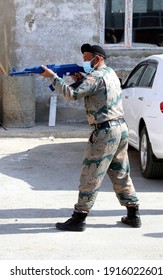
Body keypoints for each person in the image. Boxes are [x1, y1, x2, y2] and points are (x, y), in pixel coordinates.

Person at [39, 43, 142, 231]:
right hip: (120, 128)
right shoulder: (110, 73)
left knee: (91, 174)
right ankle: (133, 213)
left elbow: (73, 94)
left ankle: (79, 218)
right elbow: (97, 90)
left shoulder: (95, 76)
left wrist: (53, 77)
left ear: (98, 58)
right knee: (120, 172)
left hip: (104, 131)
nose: (84, 62)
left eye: (87, 58)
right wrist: (81, 78)